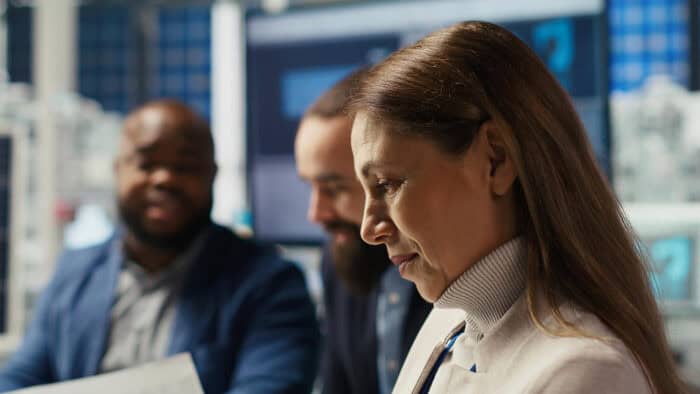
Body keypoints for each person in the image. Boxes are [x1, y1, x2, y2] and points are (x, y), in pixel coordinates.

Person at [349, 21, 686, 393]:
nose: (368, 228)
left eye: (387, 184)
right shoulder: (451, 319)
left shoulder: (586, 373)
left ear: (495, 159)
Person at [0, 100, 320, 393]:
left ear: (212, 175)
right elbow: (22, 377)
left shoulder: (270, 284)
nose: (164, 178)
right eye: (146, 162)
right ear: (118, 170)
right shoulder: (73, 272)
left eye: (185, 166)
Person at [295, 69, 431, 394]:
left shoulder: (449, 266)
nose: (316, 214)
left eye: (334, 187)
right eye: (310, 186)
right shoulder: (339, 260)